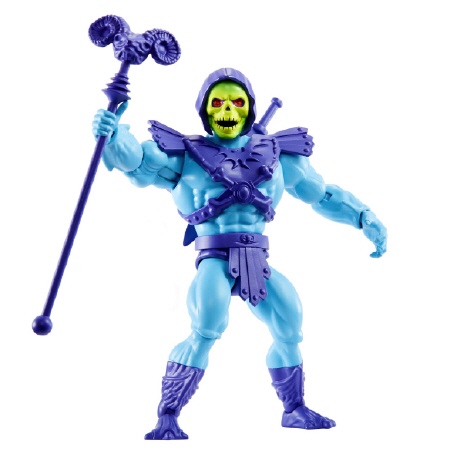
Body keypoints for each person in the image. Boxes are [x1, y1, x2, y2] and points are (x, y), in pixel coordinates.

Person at [93, 67, 387, 440]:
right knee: (206, 327)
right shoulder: (185, 155)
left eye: (236, 102)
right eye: (218, 103)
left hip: (257, 257)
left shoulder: (276, 156)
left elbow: (322, 194)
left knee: (290, 325)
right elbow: (136, 161)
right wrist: (113, 134)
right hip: (214, 257)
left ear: (249, 108)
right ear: (205, 110)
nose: (228, 111)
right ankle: (168, 415)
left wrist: (363, 216)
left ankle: (294, 409)